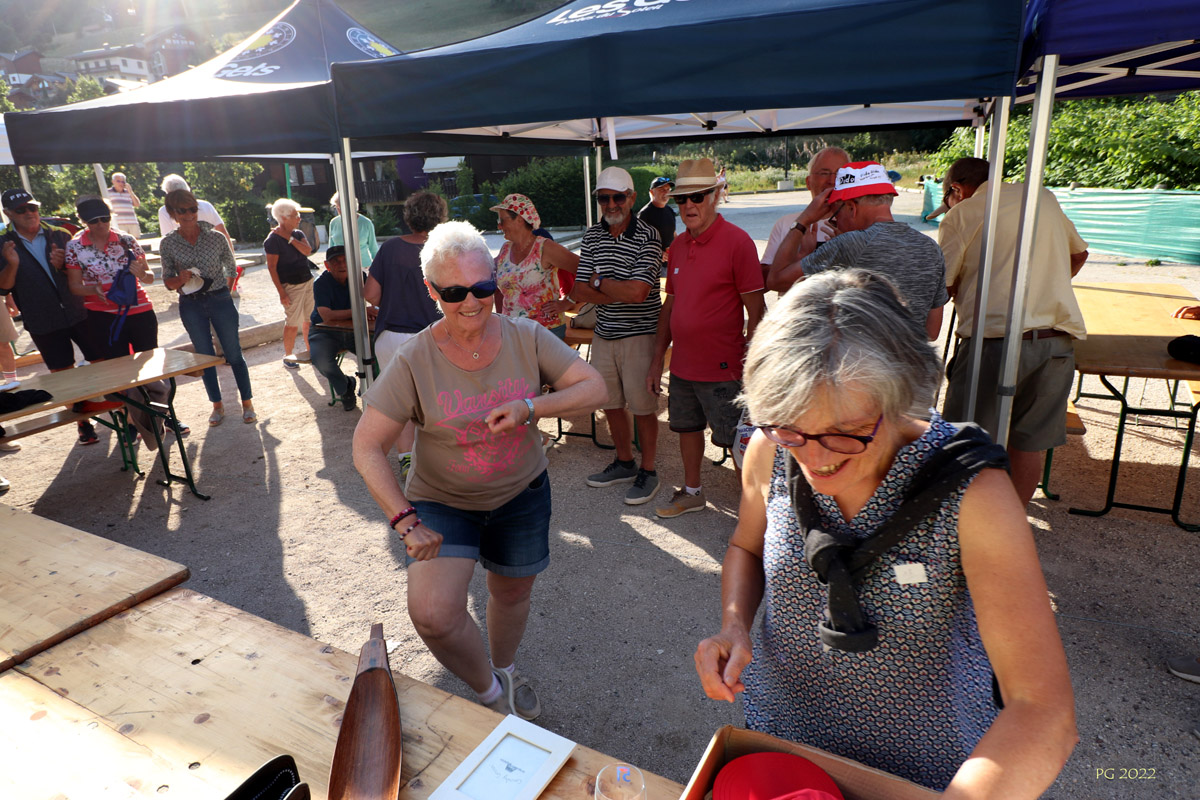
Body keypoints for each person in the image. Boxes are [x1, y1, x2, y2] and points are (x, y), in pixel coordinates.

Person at [694, 269, 1077, 795]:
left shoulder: (970, 492)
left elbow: (1042, 709)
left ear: (902, 398)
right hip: (784, 740)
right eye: (791, 427)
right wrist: (734, 625)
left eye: (847, 432)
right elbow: (745, 545)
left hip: (926, 765)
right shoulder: (772, 449)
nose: (815, 458)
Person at [352, 221, 606, 720]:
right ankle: (492, 694)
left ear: (496, 281)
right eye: (453, 292)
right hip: (443, 501)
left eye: (483, 287)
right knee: (433, 614)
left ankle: (506, 669)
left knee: (511, 592)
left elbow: (593, 386)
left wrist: (530, 407)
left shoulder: (526, 336)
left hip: (521, 494)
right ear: (430, 291)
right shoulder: (412, 359)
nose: (471, 302)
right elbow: (366, 447)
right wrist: (404, 519)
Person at [936, 157, 1088, 506]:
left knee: (967, 439)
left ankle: (966, 524)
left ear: (956, 189)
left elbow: (940, 288)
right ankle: (1013, 523)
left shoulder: (963, 213)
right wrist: (1042, 285)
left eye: (948, 197)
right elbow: (1079, 255)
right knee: (1027, 442)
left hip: (994, 342)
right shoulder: (1042, 197)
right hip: (1054, 341)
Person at [648, 159, 765, 518]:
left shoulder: (738, 242)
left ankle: (756, 510)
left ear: (715, 195)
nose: (688, 206)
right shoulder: (679, 246)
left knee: (737, 439)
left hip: (725, 365)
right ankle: (693, 491)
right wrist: (657, 360)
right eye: (681, 199)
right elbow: (671, 304)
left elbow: (757, 311)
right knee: (686, 428)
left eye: (697, 197)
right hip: (683, 364)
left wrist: (755, 363)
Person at [770, 161, 948, 340]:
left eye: (835, 214)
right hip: (913, 364)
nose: (836, 221)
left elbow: (776, 280)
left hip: (863, 365)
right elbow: (932, 332)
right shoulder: (931, 248)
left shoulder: (850, 244)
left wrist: (803, 221)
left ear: (851, 208)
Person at [573, 167, 665, 505]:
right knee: (610, 403)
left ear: (632, 198)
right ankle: (625, 462)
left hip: (641, 334)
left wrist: (600, 283)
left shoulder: (649, 235)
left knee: (643, 408)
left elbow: (639, 293)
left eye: (617, 197)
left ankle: (649, 470)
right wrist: (614, 290)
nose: (610, 204)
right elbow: (578, 287)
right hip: (605, 333)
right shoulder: (592, 235)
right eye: (603, 198)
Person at [65, 195, 189, 441]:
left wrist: (141, 272)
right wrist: (93, 289)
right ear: (83, 221)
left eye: (105, 218)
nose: (101, 224)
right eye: (94, 221)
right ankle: (132, 420)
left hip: (139, 311)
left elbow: (150, 278)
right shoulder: (75, 246)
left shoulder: (126, 239)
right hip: (103, 315)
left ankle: (163, 417)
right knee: (120, 372)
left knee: (152, 368)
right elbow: (74, 287)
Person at [0, 188, 112, 445]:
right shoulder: (2, 244)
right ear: (8, 214)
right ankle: (83, 423)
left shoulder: (62, 234)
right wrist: (12, 264)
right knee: (63, 374)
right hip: (42, 319)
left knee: (103, 362)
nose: (29, 213)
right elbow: (3, 288)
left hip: (80, 310)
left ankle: (123, 413)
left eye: (33, 207)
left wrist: (63, 266)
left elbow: (89, 270)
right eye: (21, 210)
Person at [365, 190, 448, 475]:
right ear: (440, 217)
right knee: (438, 400)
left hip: (391, 338)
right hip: (433, 337)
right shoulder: (445, 249)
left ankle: (407, 460)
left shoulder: (389, 248)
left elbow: (371, 294)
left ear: (409, 217)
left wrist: (396, 297)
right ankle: (439, 459)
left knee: (401, 404)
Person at [160, 188, 255, 426]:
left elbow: (232, 268)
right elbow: (168, 282)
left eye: (193, 209)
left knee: (234, 353)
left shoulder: (216, 237)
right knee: (204, 357)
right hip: (191, 304)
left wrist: (226, 291)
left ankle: (247, 403)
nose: (190, 215)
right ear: (172, 213)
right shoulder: (168, 243)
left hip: (219, 298)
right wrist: (180, 279)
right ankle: (217, 406)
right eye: (183, 211)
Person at [491, 194, 579, 340]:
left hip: (546, 332)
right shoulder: (505, 249)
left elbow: (586, 270)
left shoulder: (545, 248)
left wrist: (567, 302)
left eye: (502, 220)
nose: (499, 226)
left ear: (519, 219)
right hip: (513, 331)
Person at [759, 146, 849, 272]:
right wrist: (802, 256)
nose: (832, 181)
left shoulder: (861, 224)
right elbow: (765, 280)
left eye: (840, 174)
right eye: (824, 173)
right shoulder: (786, 223)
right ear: (808, 182)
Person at [308, 245, 375, 411]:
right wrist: (362, 311)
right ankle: (345, 387)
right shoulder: (321, 283)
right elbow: (326, 316)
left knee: (378, 351)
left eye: (345, 260)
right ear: (327, 265)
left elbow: (376, 299)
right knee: (321, 360)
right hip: (324, 332)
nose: (342, 264)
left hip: (355, 329)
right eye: (336, 261)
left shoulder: (360, 277)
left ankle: (367, 390)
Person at [265, 198, 316, 369]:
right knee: (293, 323)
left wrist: (289, 239)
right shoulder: (272, 240)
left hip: (308, 281)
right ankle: (288, 356)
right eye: (296, 215)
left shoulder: (297, 234)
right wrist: (281, 293)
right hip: (291, 285)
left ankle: (311, 352)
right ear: (283, 217)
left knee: (310, 320)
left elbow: (308, 251)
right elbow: (272, 268)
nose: (299, 218)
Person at [157, 174, 231, 243]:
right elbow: (223, 233)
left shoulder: (164, 211)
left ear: (168, 193)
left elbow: (168, 240)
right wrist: (231, 255)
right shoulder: (206, 205)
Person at [328, 192, 379, 272]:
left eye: (341, 208)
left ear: (353, 206)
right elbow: (331, 247)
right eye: (337, 208)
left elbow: (373, 248)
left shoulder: (366, 223)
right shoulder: (333, 222)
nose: (339, 211)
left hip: (363, 266)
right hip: (340, 267)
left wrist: (378, 268)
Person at [638, 176, 676, 263]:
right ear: (652, 192)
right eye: (662, 189)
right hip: (651, 265)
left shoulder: (669, 210)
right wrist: (660, 253)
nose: (666, 192)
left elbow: (673, 233)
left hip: (670, 262)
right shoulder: (644, 214)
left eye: (668, 189)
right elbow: (638, 243)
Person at [106, 172, 141, 237]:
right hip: (118, 223)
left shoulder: (128, 192)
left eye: (123, 181)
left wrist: (130, 191)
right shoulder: (107, 192)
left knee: (135, 242)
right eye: (118, 181)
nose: (120, 183)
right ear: (113, 181)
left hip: (132, 222)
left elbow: (137, 204)